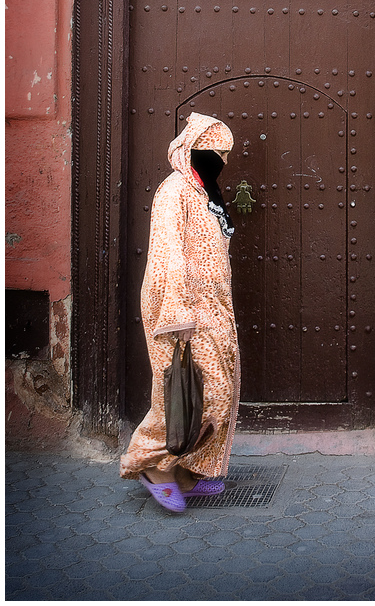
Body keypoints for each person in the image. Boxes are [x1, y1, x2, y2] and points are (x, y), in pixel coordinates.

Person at [120, 113, 240, 512]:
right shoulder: (174, 191)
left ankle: (189, 470)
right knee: (189, 392)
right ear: (193, 148)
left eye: (225, 153)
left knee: (220, 391)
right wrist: (178, 312)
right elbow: (167, 256)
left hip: (213, 308)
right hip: (183, 309)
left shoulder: (205, 190)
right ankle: (153, 465)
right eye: (215, 151)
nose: (221, 158)